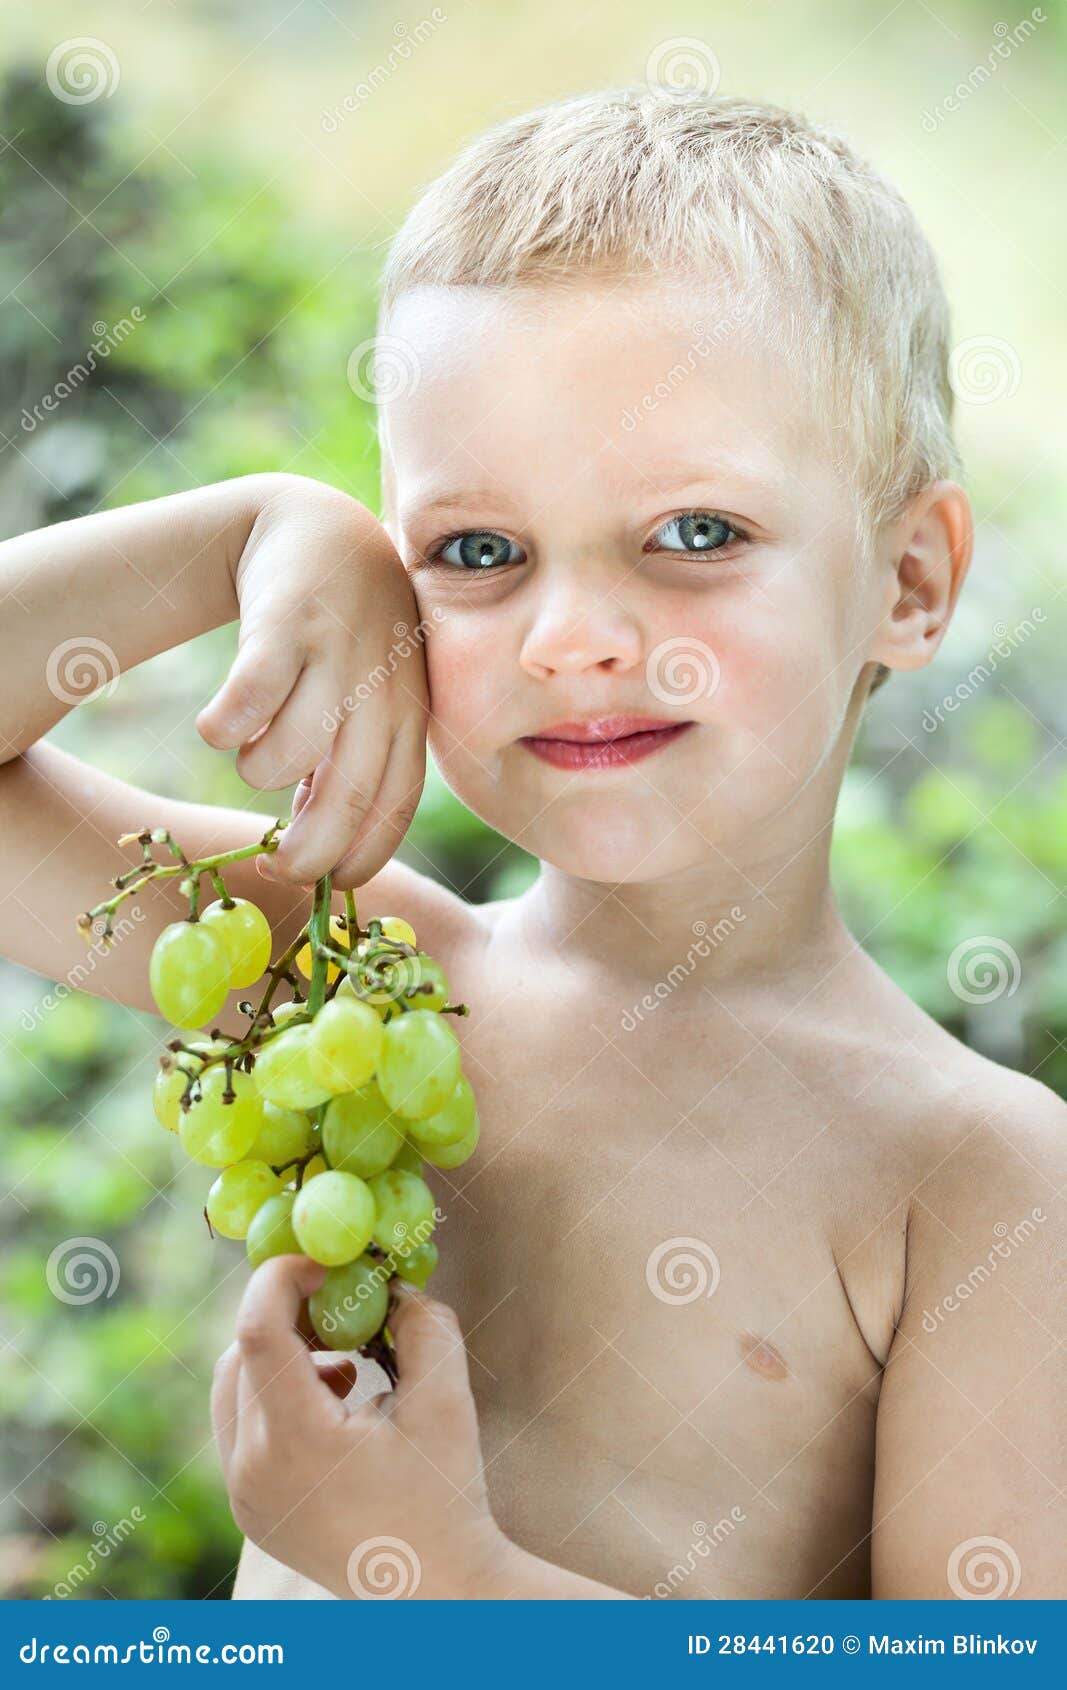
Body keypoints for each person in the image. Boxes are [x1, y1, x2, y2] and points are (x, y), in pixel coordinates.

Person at [1, 88, 1063, 1602]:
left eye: (694, 531)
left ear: (906, 576)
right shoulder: (353, 982)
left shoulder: (971, 1179)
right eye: (477, 551)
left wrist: (438, 1573)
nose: (571, 639)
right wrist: (244, 533)